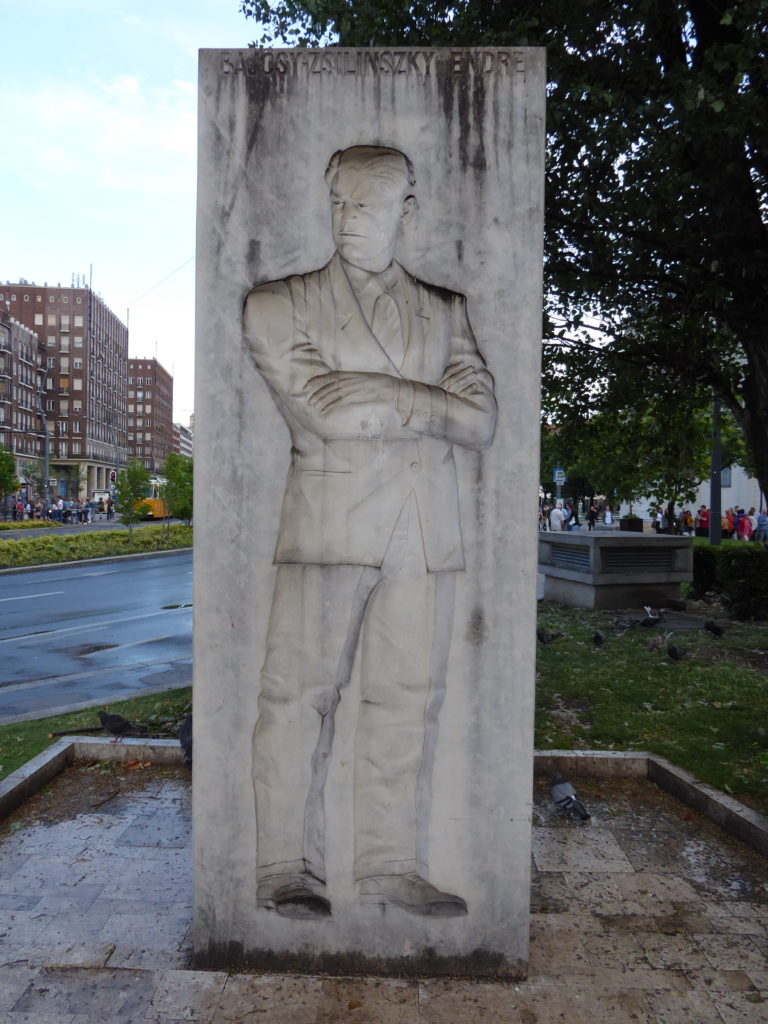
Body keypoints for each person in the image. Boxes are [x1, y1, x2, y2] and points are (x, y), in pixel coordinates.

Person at [243, 145, 497, 920]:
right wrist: (429, 406)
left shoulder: (446, 310)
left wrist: (391, 393)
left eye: (368, 206)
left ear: (405, 213)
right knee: (297, 696)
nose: (349, 221)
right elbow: (324, 410)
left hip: (424, 531)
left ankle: (389, 865)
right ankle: (287, 865)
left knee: (408, 699)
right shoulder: (277, 303)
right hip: (329, 526)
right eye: (340, 204)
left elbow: (482, 422)